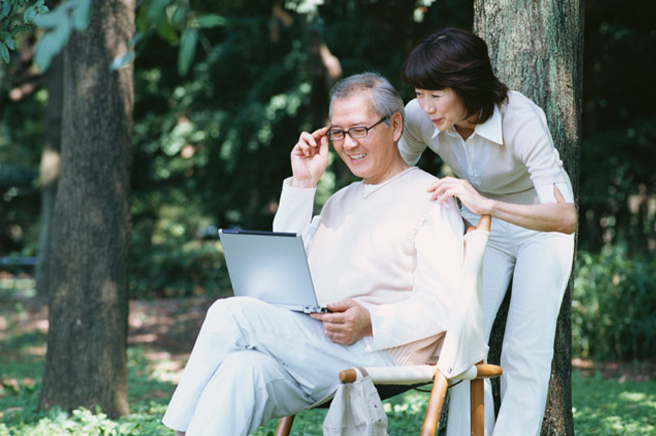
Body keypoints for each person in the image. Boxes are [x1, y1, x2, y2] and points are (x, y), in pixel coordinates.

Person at [162, 72, 466, 435]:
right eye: (338, 132)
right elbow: (281, 272)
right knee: (240, 371)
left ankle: (175, 431)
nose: (348, 144)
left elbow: (444, 303)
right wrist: (304, 184)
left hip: (375, 351)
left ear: (395, 125)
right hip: (313, 346)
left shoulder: (431, 196)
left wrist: (371, 320)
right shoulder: (340, 200)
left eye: (359, 129)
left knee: (229, 313)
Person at [399, 27, 577, 436]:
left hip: (541, 227)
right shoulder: (418, 117)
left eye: (435, 94)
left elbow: (566, 218)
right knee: (462, 341)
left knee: (524, 350)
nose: (425, 106)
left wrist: (485, 204)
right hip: (483, 230)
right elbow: (397, 177)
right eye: (419, 94)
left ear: (467, 84)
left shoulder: (521, 118)